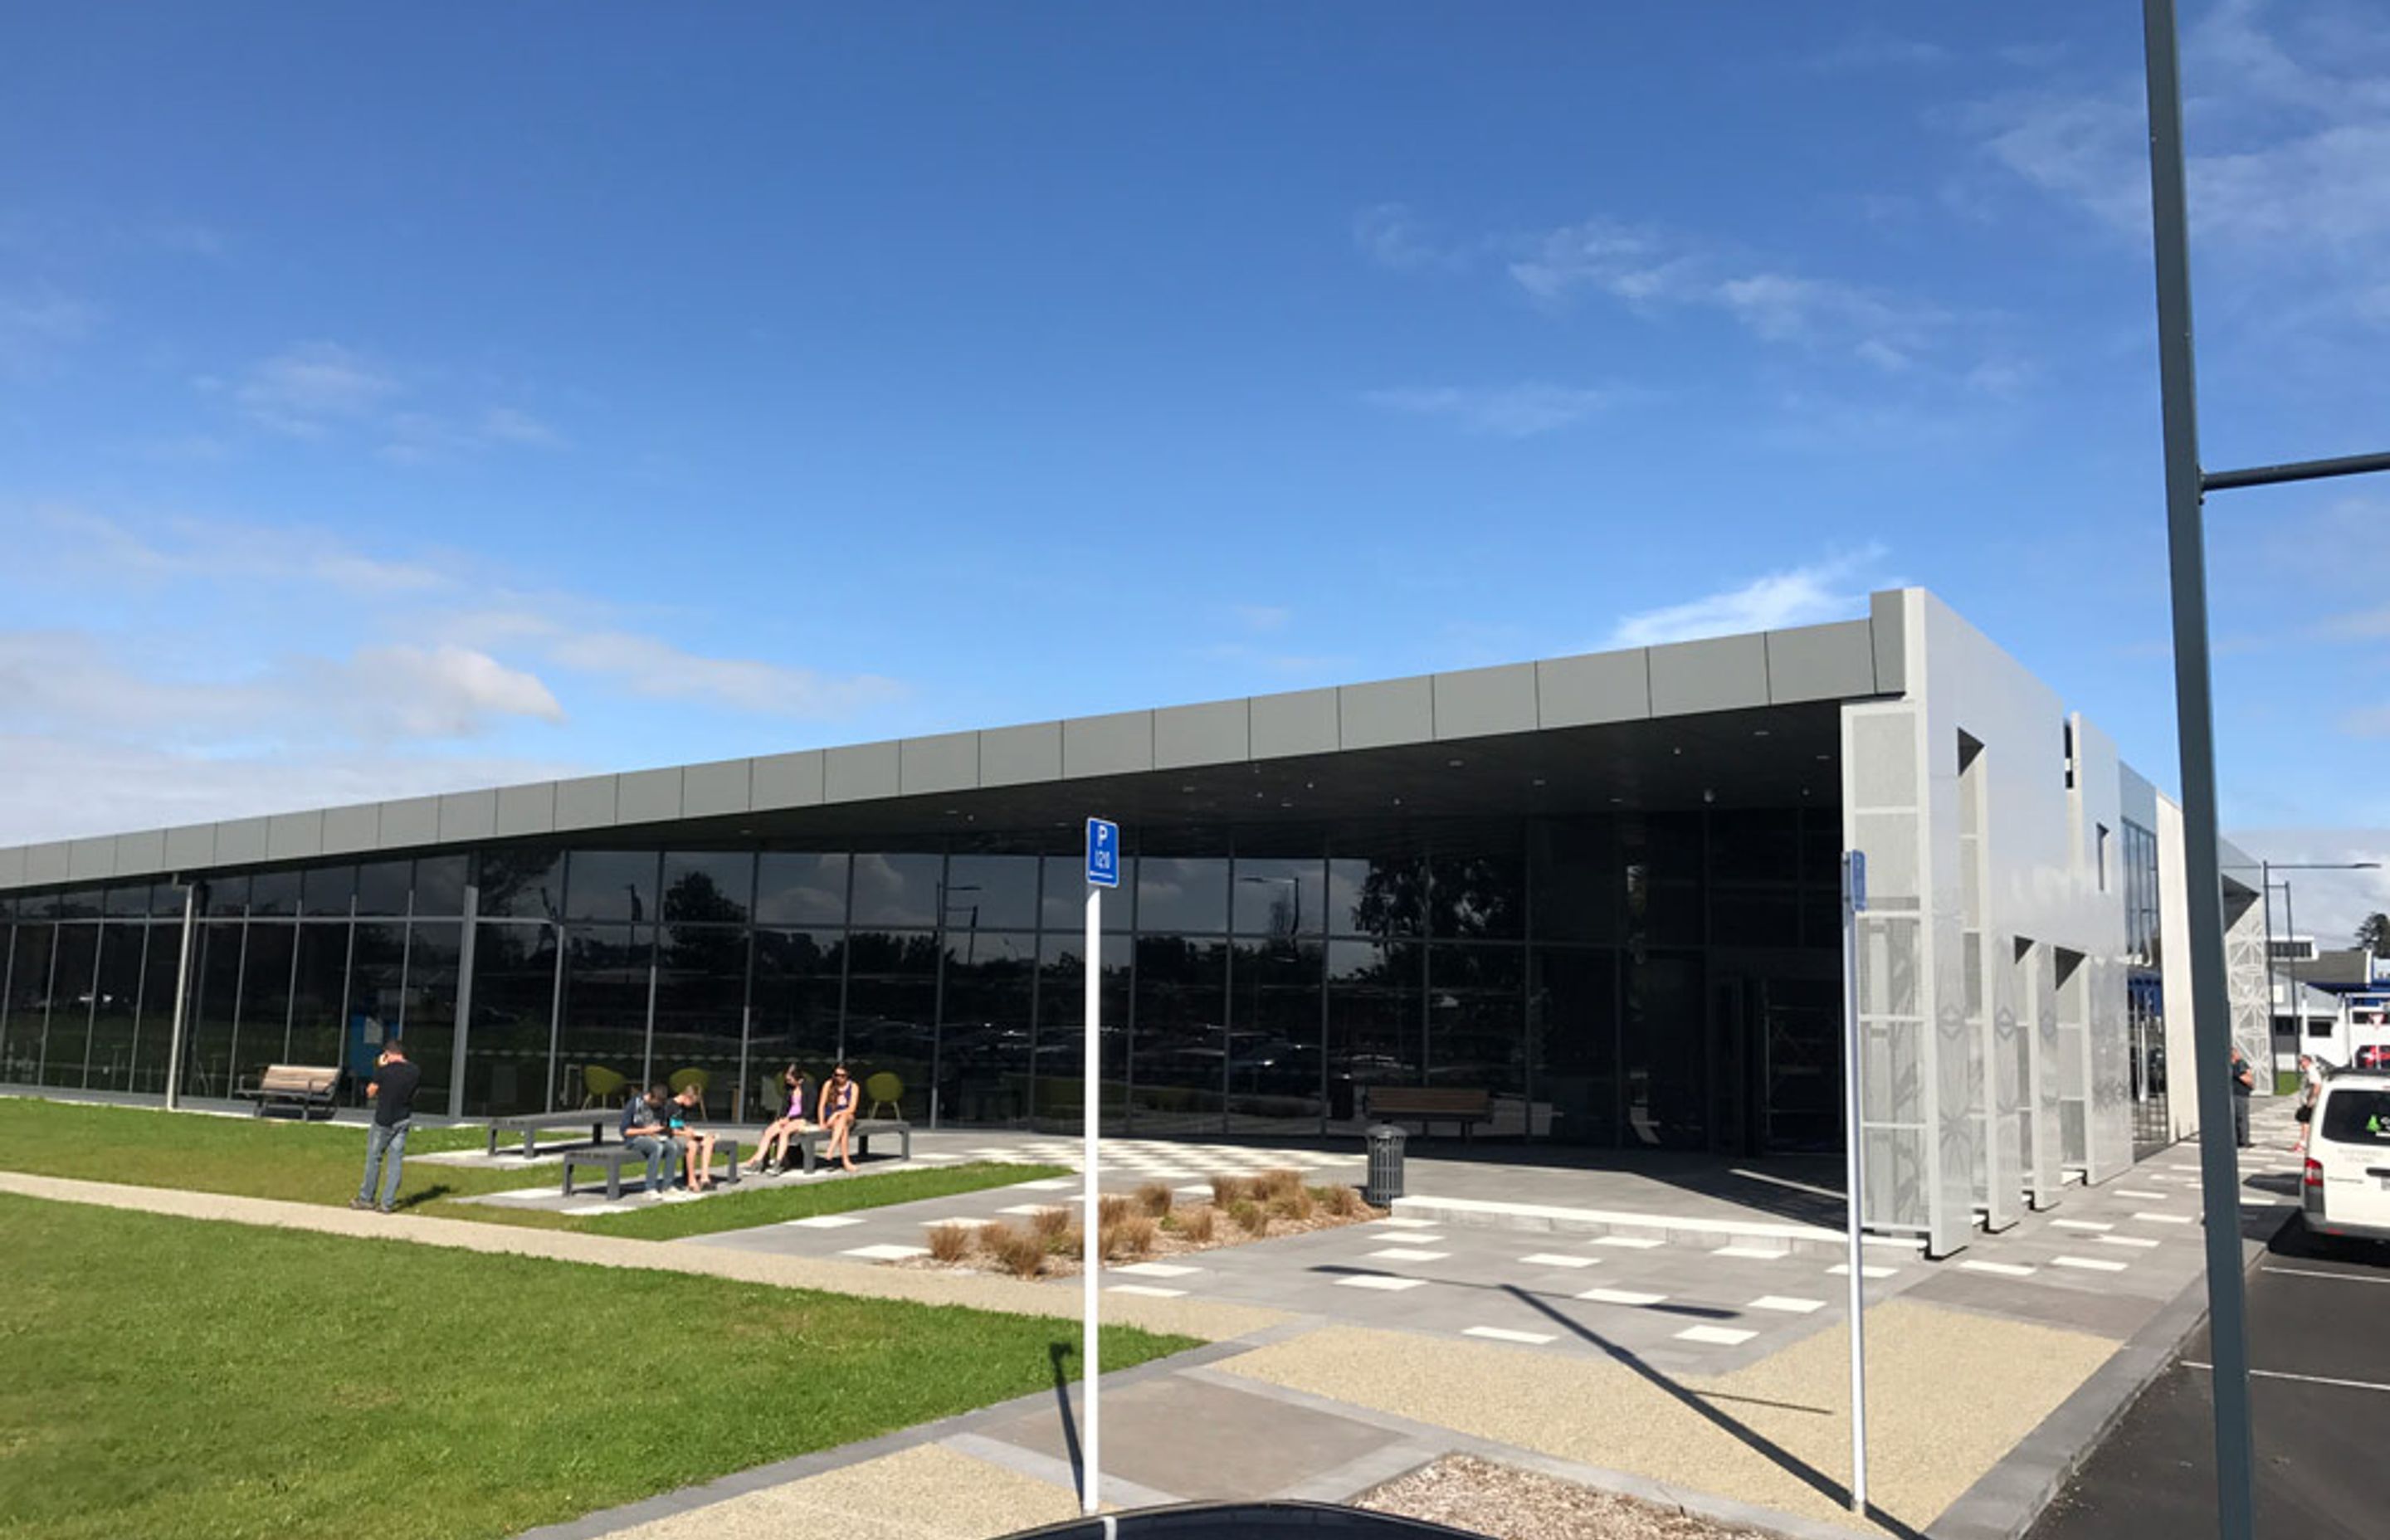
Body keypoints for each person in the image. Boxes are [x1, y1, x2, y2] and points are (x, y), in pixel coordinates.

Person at [352, 1037, 422, 1214]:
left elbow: (370, 1092)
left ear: (388, 1054)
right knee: (395, 1161)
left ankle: (366, 1198)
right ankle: (387, 1203)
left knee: (374, 1158)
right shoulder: (415, 1071)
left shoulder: (384, 1071)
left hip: (383, 1120)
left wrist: (380, 1068)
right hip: (403, 1118)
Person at [747, 1065, 812, 1175]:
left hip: (802, 1118)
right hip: (788, 1118)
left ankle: (779, 1162)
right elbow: (784, 1107)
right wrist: (781, 1118)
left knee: (785, 1131)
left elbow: (808, 1111)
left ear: (798, 1079)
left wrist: (790, 1119)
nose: (788, 1082)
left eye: (790, 1079)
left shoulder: (809, 1089)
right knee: (768, 1132)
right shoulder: (789, 1089)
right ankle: (758, 1162)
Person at [620, 1084, 680, 1198]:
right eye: (656, 1103)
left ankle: (668, 1185)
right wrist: (646, 1130)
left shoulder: (661, 1106)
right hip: (634, 1138)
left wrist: (662, 1130)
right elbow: (625, 1131)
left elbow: (664, 1123)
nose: (657, 1107)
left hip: (653, 1136)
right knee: (657, 1147)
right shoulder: (635, 1104)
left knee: (672, 1147)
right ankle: (650, 1188)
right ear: (650, 1097)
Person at [670, 1084, 719, 1191]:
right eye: (693, 1102)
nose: (692, 1105)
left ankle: (704, 1178)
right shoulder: (669, 1105)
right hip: (674, 1136)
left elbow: (679, 1123)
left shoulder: (683, 1108)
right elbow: (666, 1128)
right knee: (692, 1145)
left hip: (684, 1134)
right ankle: (691, 1180)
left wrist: (688, 1129)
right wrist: (684, 1133)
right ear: (688, 1097)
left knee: (709, 1139)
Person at [820, 1062, 860, 1173]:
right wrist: (822, 1121)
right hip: (832, 1119)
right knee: (844, 1129)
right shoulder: (828, 1084)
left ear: (847, 1075)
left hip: (847, 1115)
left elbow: (852, 1108)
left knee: (842, 1118)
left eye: (842, 1076)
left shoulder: (853, 1086)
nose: (839, 1078)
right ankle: (846, 1161)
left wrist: (837, 1114)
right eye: (837, 1075)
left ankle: (831, 1149)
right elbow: (821, 1105)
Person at [2229, 1045, 2256, 1149]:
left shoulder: (2241, 1063)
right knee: (2241, 1117)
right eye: (2236, 1053)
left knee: (2240, 1117)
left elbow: (2249, 1073)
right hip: (2239, 1094)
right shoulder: (2235, 1066)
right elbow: (2246, 1078)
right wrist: (2251, 1084)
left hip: (2242, 1093)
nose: (2238, 1054)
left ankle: (2242, 1139)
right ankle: (2243, 1141)